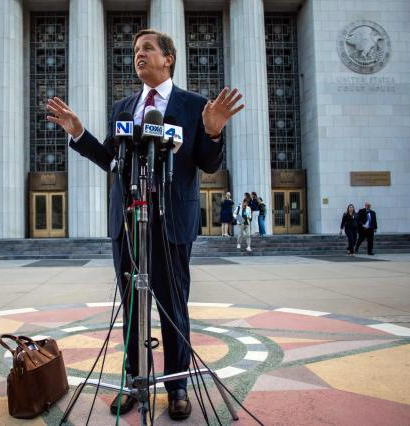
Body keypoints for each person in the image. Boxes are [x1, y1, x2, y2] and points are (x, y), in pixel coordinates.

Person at [45, 29, 244, 420]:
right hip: (127, 222)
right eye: (135, 50)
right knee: (133, 307)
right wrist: (79, 134)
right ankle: (135, 382)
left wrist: (213, 130)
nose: (138, 55)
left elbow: (207, 163)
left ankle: (177, 386)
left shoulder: (194, 105)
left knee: (173, 307)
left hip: (170, 224)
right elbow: (110, 160)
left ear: (168, 58)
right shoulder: (124, 106)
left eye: (147, 49)